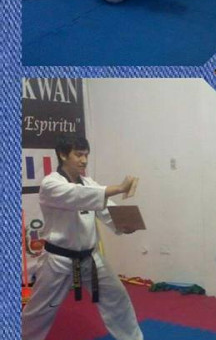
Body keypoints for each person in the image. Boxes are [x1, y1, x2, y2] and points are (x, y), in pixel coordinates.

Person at [21, 135, 141, 340]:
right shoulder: (51, 184)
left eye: (86, 155)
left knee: (117, 298)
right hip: (58, 261)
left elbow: (103, 206)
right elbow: (78, 195)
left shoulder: (88, 183)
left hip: (90, 258)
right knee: (40, 311)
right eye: (78, 155)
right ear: (62, 155)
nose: (84, 160)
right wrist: (119, 188)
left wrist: (124, 224)